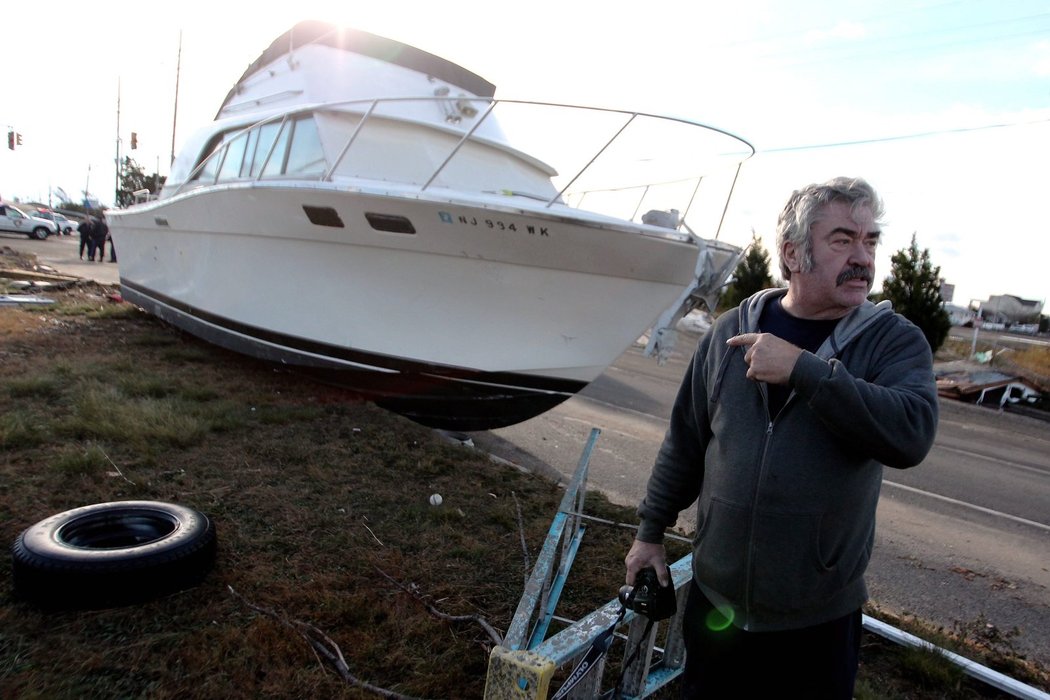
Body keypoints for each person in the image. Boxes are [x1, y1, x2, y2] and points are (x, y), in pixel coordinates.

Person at [624, 176, 938, 698]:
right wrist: (649, 532)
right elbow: (685, 441)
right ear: (793, 253)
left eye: (870, 241)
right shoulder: (728, 332)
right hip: (716, 605)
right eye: (843, 240)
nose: (862, 257)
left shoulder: (894, 342)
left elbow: (911, 434)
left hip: (816, 623)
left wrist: (806, 372)